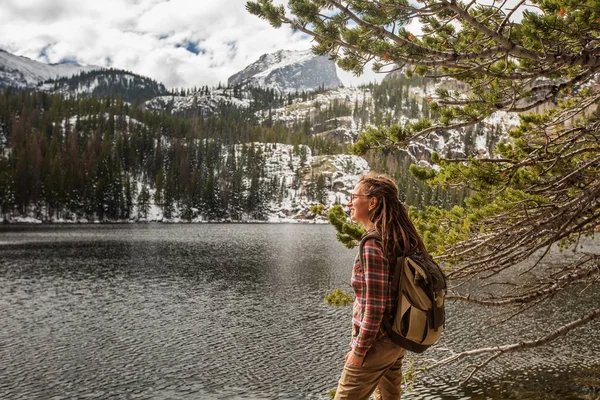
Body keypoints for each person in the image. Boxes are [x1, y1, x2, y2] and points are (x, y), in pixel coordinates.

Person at [335, 172, 430, 400]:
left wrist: (359, 350)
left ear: (372, 202)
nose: (349, 202)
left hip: (376, 343)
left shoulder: (372, 244)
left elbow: (374, 307)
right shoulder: (395, 238)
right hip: (396, 339)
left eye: (354, 196)